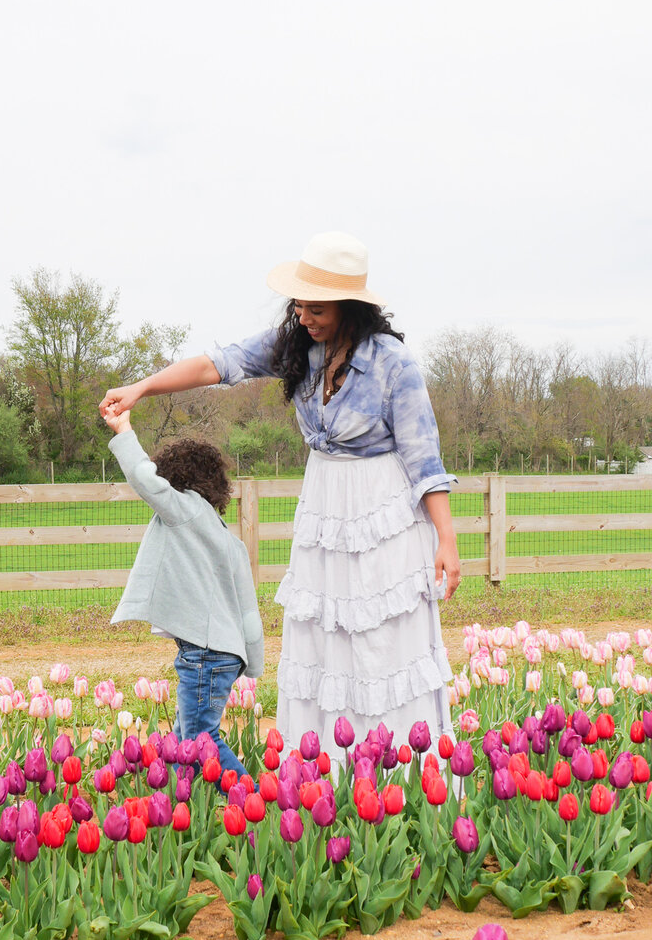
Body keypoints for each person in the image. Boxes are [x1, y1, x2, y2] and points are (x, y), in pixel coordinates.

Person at [99, 231, 460, 766]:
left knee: (380, 641)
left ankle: (394, 772)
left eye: (317, 308)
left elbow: (424, 461)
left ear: (350, 308)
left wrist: (446, 541)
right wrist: (142, 388)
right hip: (324, 508)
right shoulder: (296, 347)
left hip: (382, 515)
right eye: (300, 304)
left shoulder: (392, 364)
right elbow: (216, 364)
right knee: (323, 637)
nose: (304, 315)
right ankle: (326, 772)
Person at [102, 405, 263, 779]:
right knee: (182, 740)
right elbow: (249, 612)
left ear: (174, 477)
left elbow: (143, 477)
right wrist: (251, 663)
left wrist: (123, 428)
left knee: (200, 740)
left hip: (204, 655)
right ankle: (177, 805)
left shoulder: (185, 509)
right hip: (226, 657)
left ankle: (255, 803)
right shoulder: (228, 539)